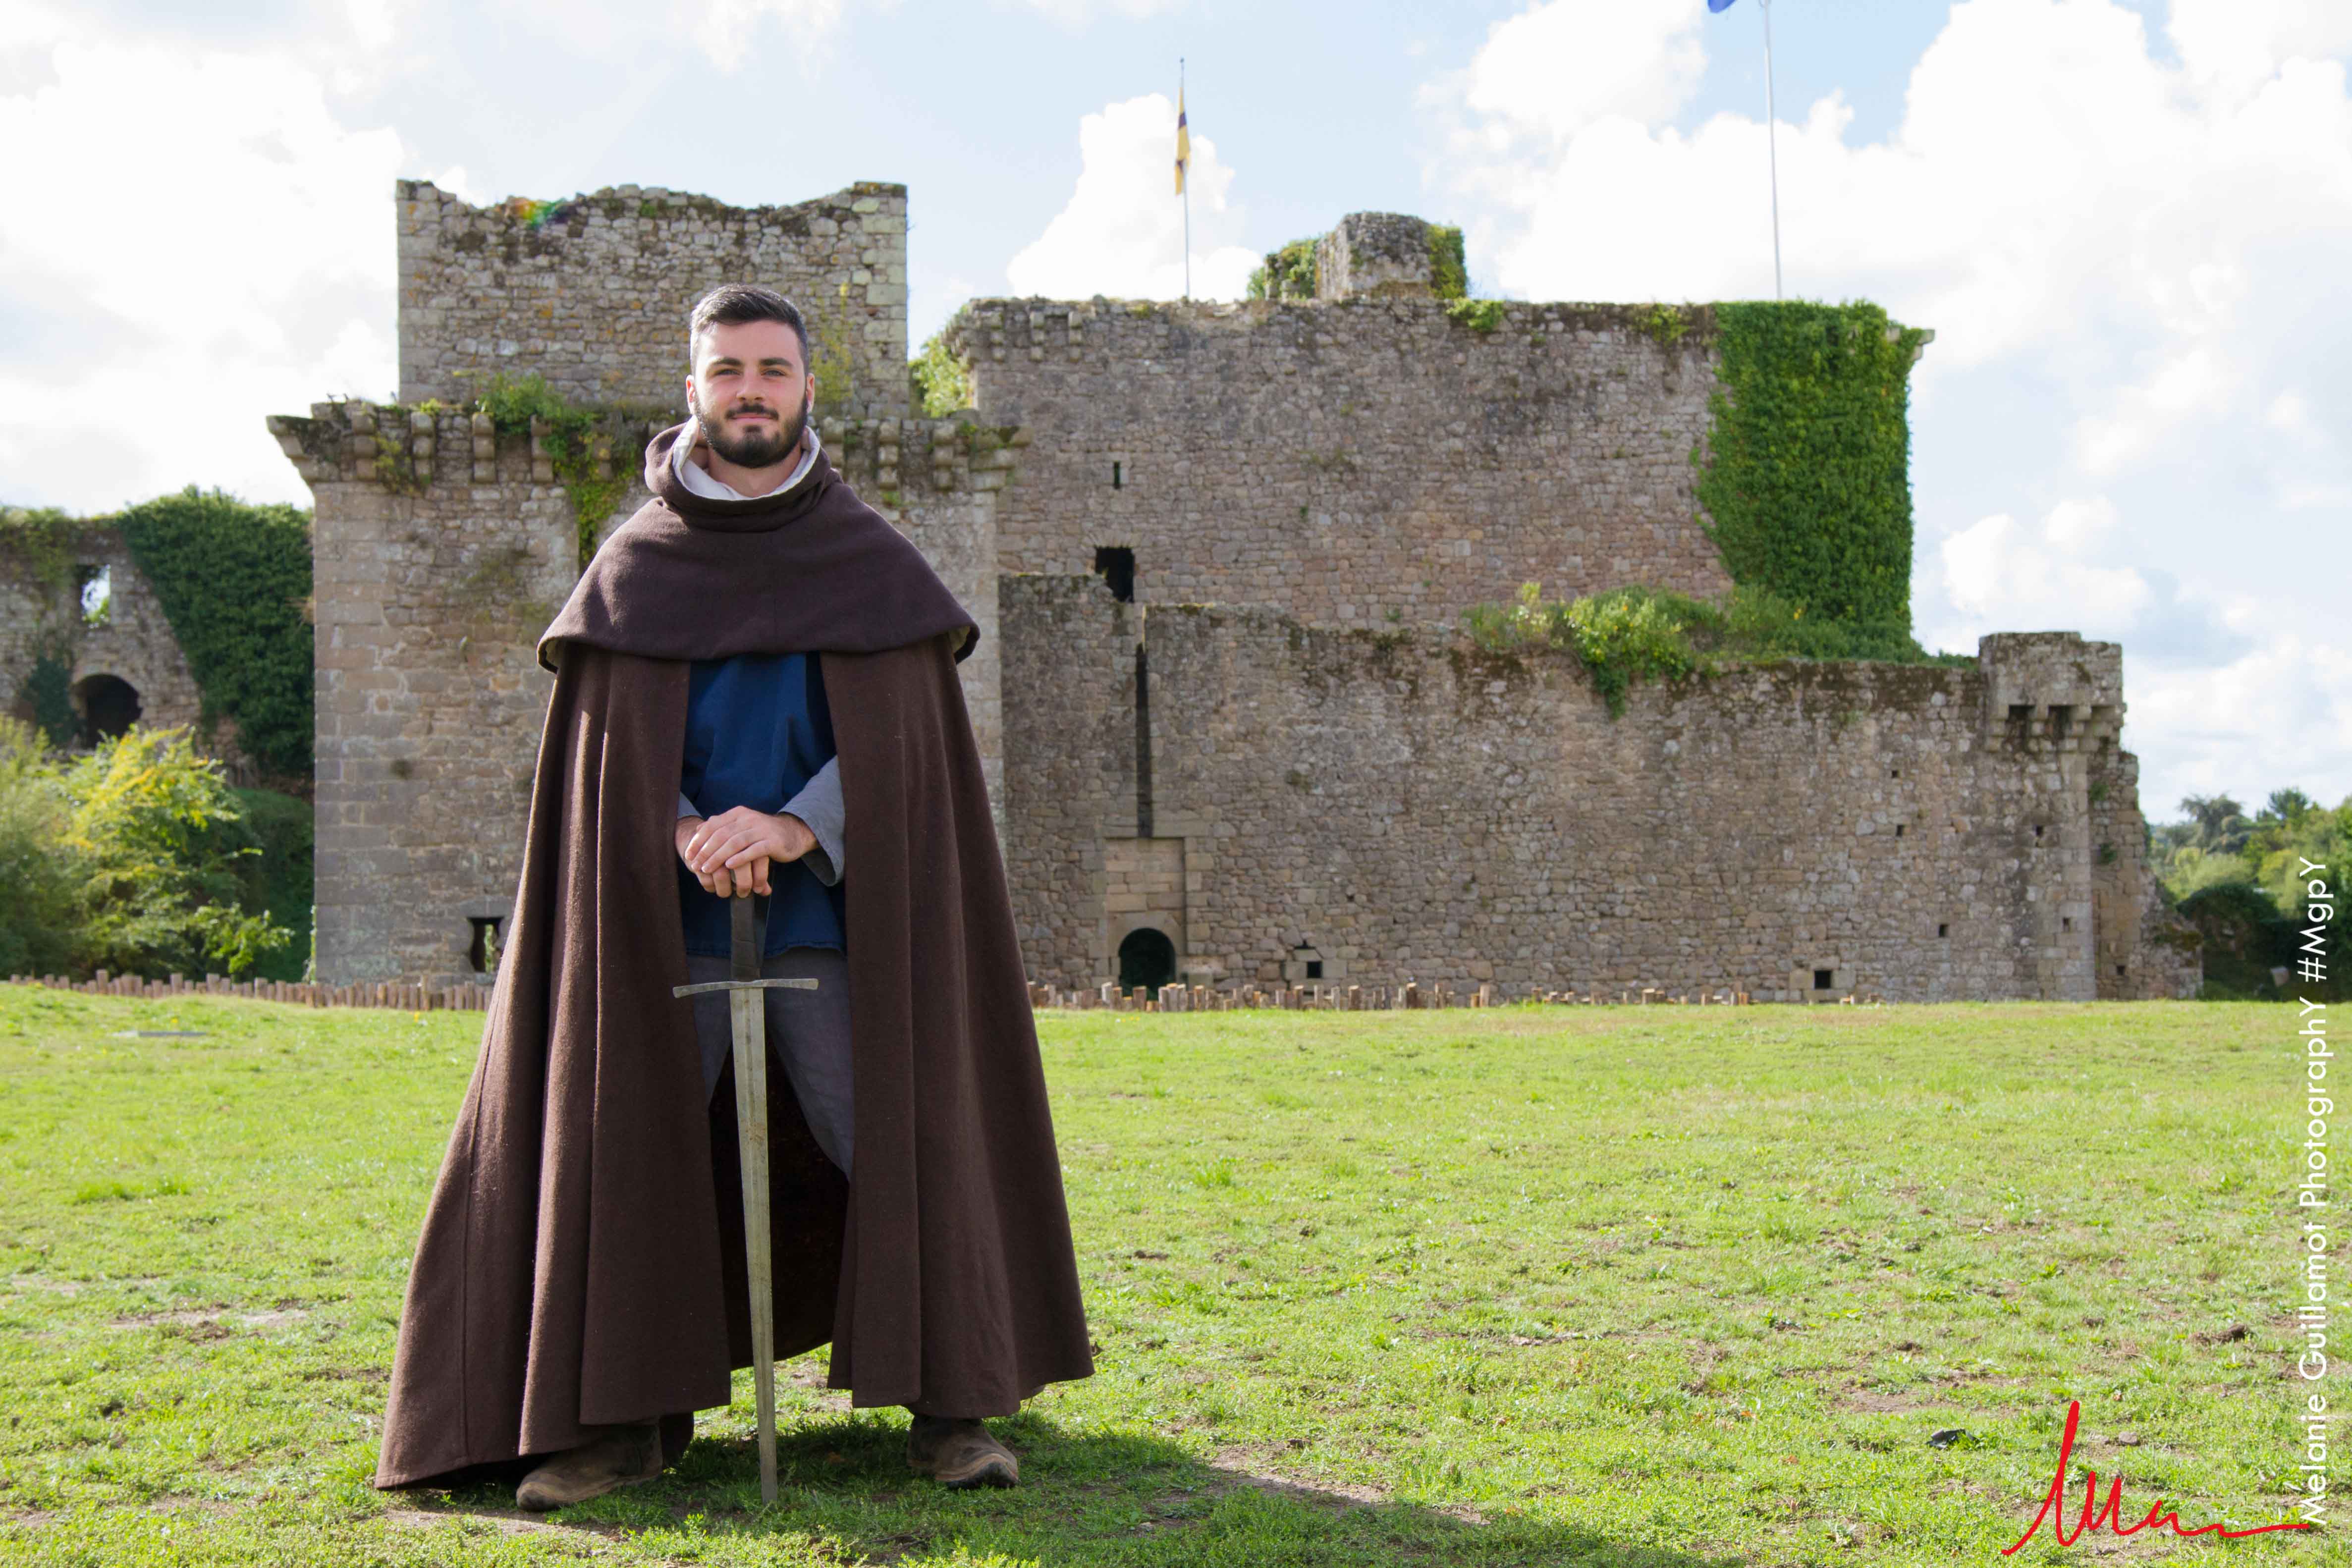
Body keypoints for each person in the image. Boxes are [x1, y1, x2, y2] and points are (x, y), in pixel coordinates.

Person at [370, 284, 1096, 1511]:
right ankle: (615, 1423)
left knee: (892, 1131)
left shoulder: (868, 558)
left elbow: (906, 746)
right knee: (624, 1149)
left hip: (830, 923)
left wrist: (795, 824)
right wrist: (684, 829)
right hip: (660, 924)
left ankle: (952, 1409)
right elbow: (602, 757)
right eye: (727, 371)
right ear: (693, 389)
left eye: (771, 370)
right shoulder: (637, 564)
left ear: (806, 387)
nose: (749, 392)